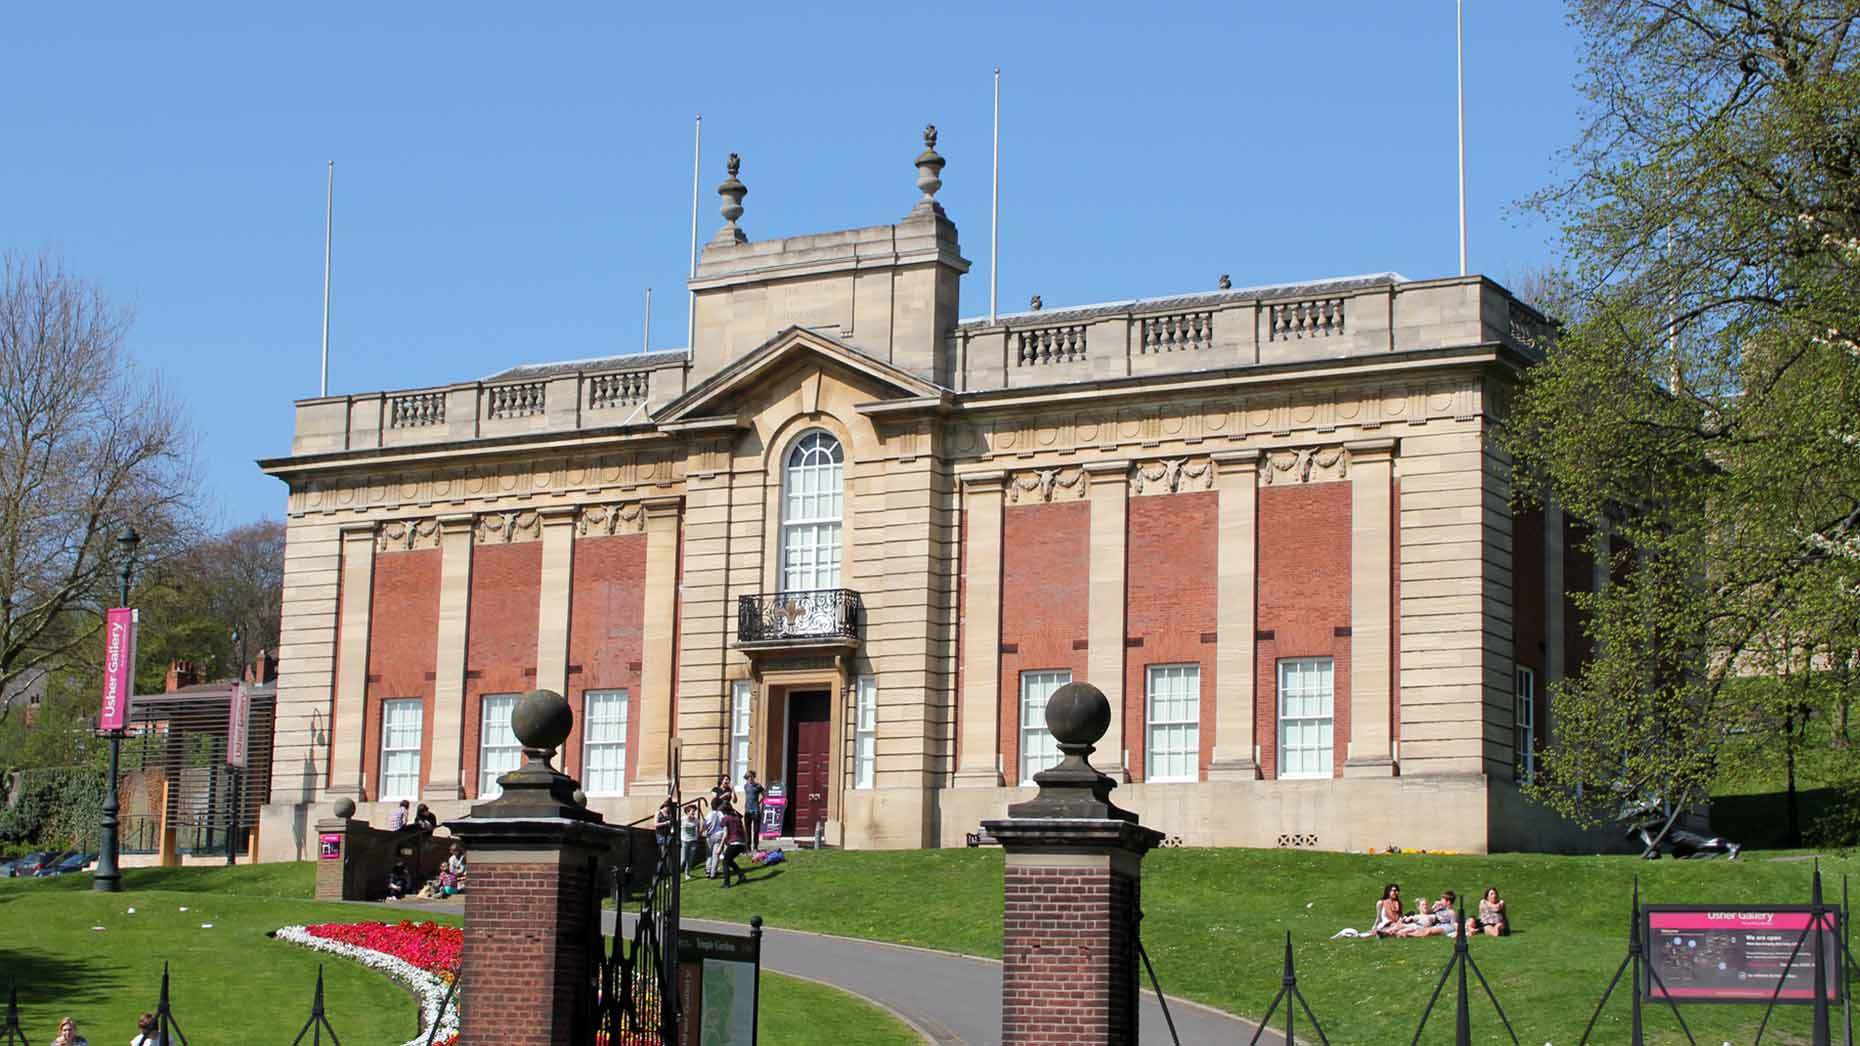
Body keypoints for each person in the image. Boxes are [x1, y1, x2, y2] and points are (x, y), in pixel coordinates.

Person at [718, 803, 749, 888]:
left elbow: (725, 833)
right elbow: (744, 831)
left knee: (725, 862)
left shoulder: (726, 819)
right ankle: (741, 876)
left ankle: (726, 883)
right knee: (729, 860)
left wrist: (720, 847)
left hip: (733, 843)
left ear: (724, 811)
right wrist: (746, 845)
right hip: (741, 843)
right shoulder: (737, 817)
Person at [741, 770, 765, 852]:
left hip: (756, 811)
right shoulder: (746, 786)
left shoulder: (758, 786)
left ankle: (755, 847)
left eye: (751, 777)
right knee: (747, 830)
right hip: (747, 811)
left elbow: (765, 795)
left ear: (753, 777)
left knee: (756, 830)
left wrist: (759, 802)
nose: (750, 779)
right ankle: (748, 847)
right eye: (748, 777)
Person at [703, 800, 727, 879]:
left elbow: (705, 824)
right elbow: (724, 824)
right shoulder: (721, 814)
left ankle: (708, 870)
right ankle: (713, 872)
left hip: (709, 836)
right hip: (719, 835)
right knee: (716, 855)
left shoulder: (710, 814)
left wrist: (703, 831)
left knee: (709, 854)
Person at [680, 805, 702, 881]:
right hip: (684, 841)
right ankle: (676, 872)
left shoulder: (696, 820)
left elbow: (701, 826)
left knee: (690, 859)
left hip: (693, 841)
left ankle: (687, 873)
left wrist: (698, 834)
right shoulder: (682, 819)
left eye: (694, 812)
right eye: (692, 811)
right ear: (687, 812)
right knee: (683, 859)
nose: (694, 813)